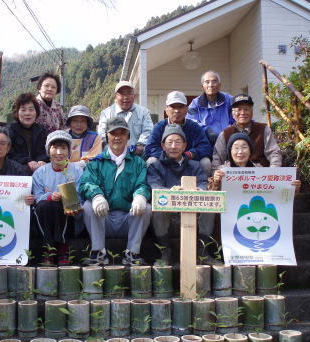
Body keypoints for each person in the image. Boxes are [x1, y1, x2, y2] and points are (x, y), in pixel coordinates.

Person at [80, 117, 152, 266]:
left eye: (122, 133)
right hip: (104, 218)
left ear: (128, 136)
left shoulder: (138, 162)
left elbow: (143, 184)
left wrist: (140, 196)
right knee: (88, 205)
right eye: (113, 133)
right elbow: (86, 183)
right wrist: (97, 196)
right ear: (107, 136)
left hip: (128, 218)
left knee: (147, 208)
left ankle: (132, 253)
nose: (117, 137)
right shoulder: (96, 162)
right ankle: (98, 252)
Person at [147, 124, 212, 264]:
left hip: (191, 213)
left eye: (178, 142)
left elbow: (202, 184)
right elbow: (155, 188)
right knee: (159, 206)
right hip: (168, 218)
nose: (174, 146)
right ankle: (165, 250)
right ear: (163, 145)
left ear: (184, 146)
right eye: (169, 142)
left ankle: (202, 250)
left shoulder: (195, 165)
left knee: (209, 205)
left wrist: (197, 191)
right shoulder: (155, 166)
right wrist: (173, 194)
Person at [32, 130, 84, 265]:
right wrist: (50, 196)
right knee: (45, 205)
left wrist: (66, 197)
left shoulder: (77, 171)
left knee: (62, 205)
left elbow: (80, 197)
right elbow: (37, 198)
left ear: (69, 151)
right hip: (46, 214)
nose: (59, 152)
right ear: (49, 151)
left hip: (70, 215)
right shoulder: (40, 173)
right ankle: (49, 249)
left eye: (63, 148)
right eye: (55, 147)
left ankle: (61, 249)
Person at [145, 91, 212, 176]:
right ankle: (154, 187)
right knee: (151, 161)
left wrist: (189, 154)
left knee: (205, 162)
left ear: (186, 109)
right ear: (166, 110)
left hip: (188, 163)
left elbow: (205, 147)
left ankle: (202, 187)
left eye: (180, 107)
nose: (177, 111)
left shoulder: (194, 127)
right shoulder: (159, 127)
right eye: (173, 107)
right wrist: (168, 155)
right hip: (165, 162)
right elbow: (150, 148)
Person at [212, 94, 282, 172]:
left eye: (246, 109)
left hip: (260, 176)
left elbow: (274, 153)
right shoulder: (225, 134)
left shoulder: (264, 129)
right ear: (233, 114)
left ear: (252, 112)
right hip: (234, 177)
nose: (243, 113)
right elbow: (217, 160)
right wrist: (218, 174)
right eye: (239, 110)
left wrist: (274, 172)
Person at [210, 133, 301, 192]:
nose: (240, 152)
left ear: (250, 151)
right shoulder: (221, 171)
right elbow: (213, 197)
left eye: (244, 147)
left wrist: (293, 189)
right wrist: (216, 182)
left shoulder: (260, 171)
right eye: (236, 148)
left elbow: (276, 193)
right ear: (230, 151)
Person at [98, 81, 153, 155]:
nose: (126, 97)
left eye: (129, 93)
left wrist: (140, 144)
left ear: (134, 95)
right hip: (113, 153)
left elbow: (148, 131)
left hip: (137, 154)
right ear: (116, 96)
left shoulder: (143, 112)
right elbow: (102, 134)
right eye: (122, 94)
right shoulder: (106, 113)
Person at [186, 71, 234, 144]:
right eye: (207, 82)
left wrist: (228, 131)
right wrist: (206, 130)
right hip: (205, 141)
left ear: (219, 85)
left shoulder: (229, 100)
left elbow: (237, 117)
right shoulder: (195, 103)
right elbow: (190, 120)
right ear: (202, 87)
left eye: (214, 81)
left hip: (228, 140)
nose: (211, 85)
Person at [7, 93, 48, 174]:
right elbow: (8, 153)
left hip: (39, 171)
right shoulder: (9, 131)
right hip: (16, 173)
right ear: (17, 112)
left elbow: (46, 150)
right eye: (23, 110)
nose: (27, 113)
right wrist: (28, 161)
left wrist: (41, 160)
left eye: (31, 109)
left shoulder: (41, 130)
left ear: (36, 112)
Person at [66, 105, 103, 169]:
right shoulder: (62, 137)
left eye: (83, 121)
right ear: (70, 123)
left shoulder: (95, 138)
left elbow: (95, 159)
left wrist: (72, 166)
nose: (79, 124)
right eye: (75, 121)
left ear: (87, 123)